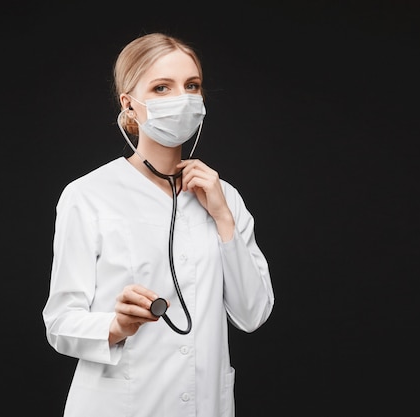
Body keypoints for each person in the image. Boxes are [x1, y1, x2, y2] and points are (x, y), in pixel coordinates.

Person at [42, 32, 275, 417]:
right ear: (130, 105)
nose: (181, 99)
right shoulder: (89, 195)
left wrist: (221, 217)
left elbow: (252, 314)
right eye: (162, 87)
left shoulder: (224, 197)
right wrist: (115, 327)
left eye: (192, 86)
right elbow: (60, 322)